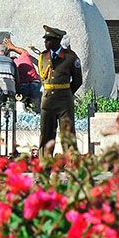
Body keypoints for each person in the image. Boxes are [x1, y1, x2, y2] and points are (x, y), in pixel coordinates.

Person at [37, 25, 83, 159]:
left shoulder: (70, 57)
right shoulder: (43, 57)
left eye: (49, 39)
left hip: (64, 102)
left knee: (67, 136)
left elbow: (77, 80)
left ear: (57, 40)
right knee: (46, 136)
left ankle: (72, 170)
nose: (46, 42)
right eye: (45, 39)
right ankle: (44, 170)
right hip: (48, 102)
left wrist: (67, 93)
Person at [4, 38, 42, 111]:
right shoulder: (24, 57)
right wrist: (12, 47)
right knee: (36, 106)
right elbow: (24, 51)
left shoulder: (11, 63)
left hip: (23, 85)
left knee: (22, 107)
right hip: (35, 83)